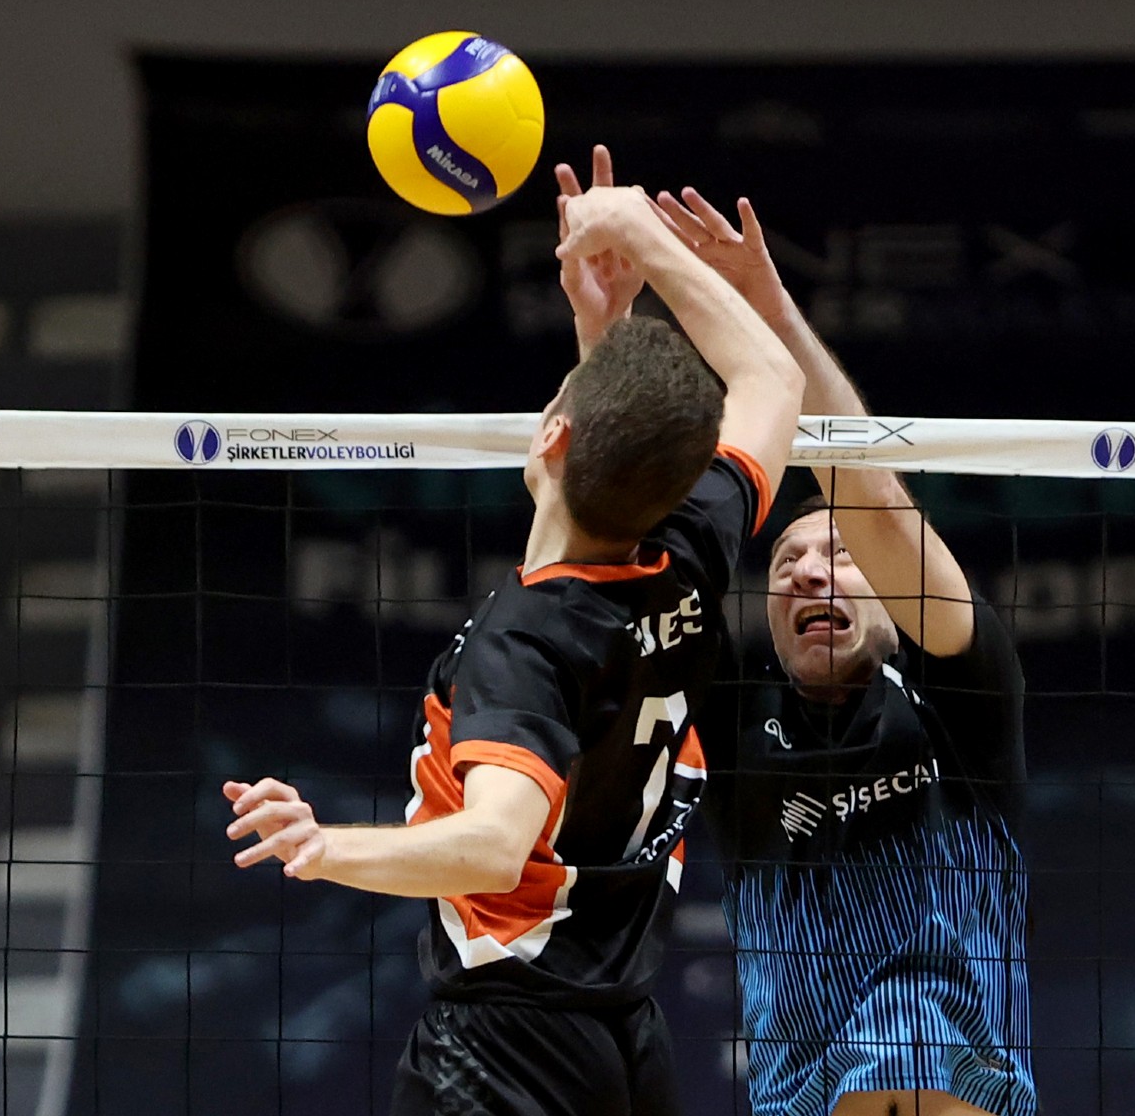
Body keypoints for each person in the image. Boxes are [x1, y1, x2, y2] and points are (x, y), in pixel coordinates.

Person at [222, 147, 805, 1116]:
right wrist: (629, 285)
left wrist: (322, 846)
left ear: (552, 439)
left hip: (506, 1040)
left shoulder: (526, 640)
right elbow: (772, 376)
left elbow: (496, 846)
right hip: (625, 1028)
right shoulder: (691, 547)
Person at [653, 187, 1036, 1116]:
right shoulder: (731, 724)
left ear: (891, 601)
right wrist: (627, 304)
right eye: (787, 562)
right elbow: (644, 545)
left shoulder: (958, 697)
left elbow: (870, 494)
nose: (809, 573)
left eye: (838, 555)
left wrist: (770, 313)